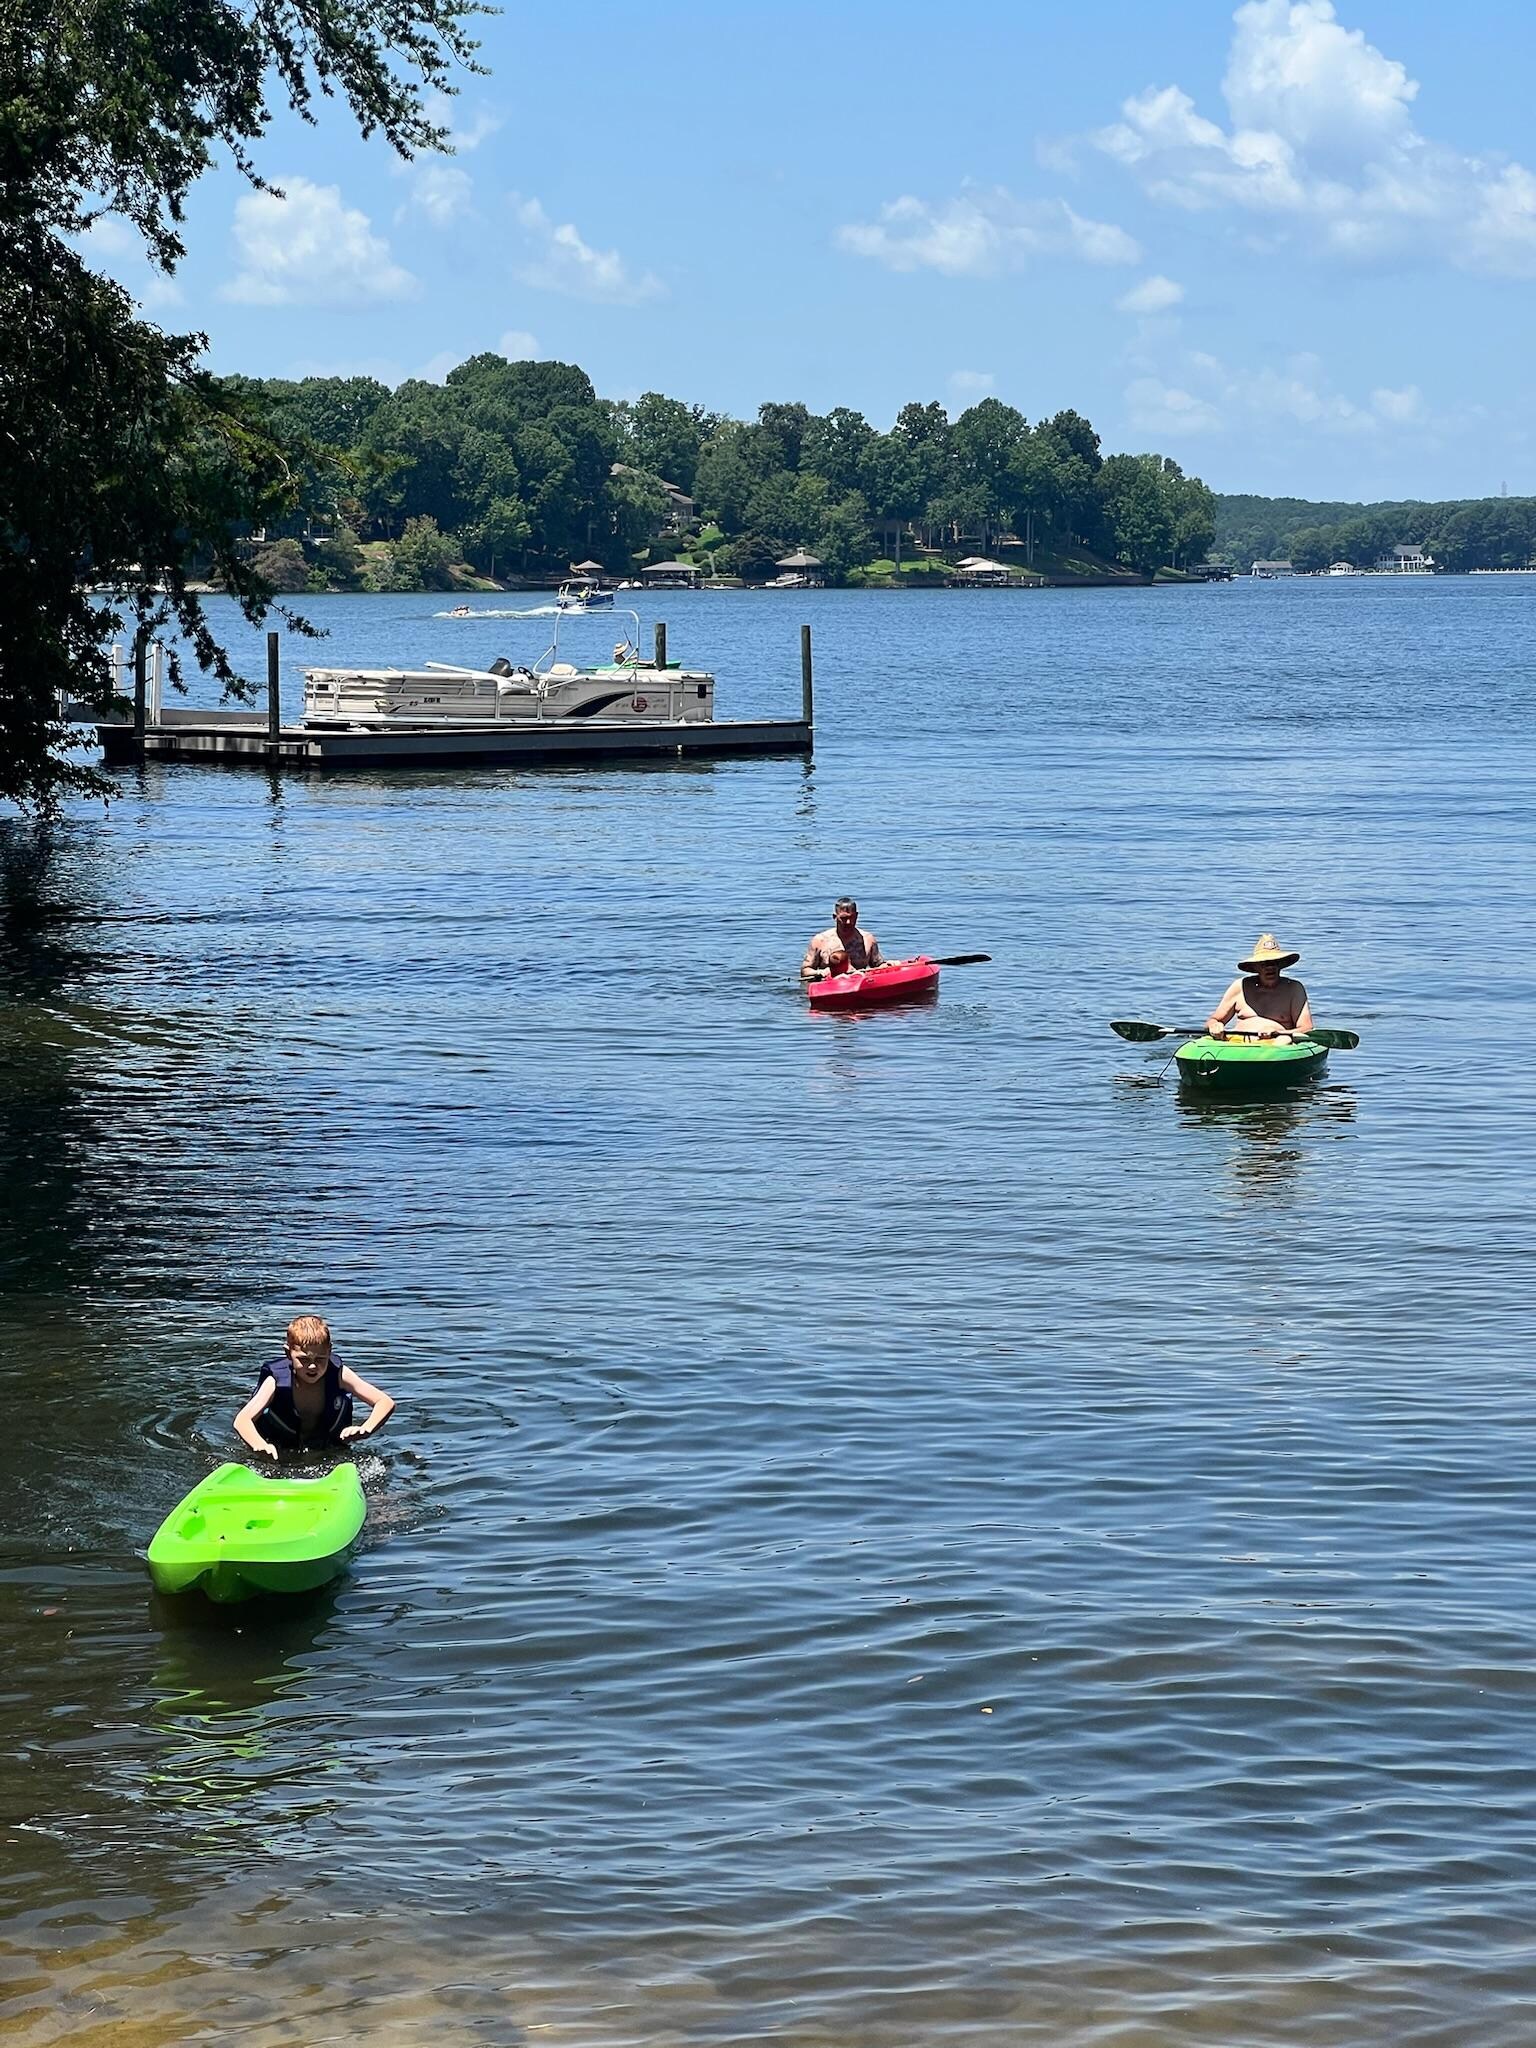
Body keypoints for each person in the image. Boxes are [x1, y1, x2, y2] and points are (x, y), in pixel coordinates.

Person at [234, 1314, 395, 1461]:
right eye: (303, 1360)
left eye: (320, 1359)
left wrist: (366, 1428)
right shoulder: (276, 1381)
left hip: (328, 1449)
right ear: (288, 1353)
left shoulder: (339, 1375)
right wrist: (259, 1445)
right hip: (278, 1451)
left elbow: (384, 1402)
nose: (312, 1366)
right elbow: (242, 1420)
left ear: (329, 1351)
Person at [1206, 934, 1314, 1041]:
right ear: (1255, 966)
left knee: (1284, 1040)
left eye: (1274, 963)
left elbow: (1306, 1028)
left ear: (1281, 965)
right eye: (1264, 964)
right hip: (1238, 1042)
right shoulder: (1239, 986)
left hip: (1277, 1045)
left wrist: (1278, 1033)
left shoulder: (1294, 989)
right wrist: (1215, 1026)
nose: (1270, 968)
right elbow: (1214, 1020)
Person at [801, 896, 886, 981]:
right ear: (835, 917)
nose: (848, 922)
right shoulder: (820, 941)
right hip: (830, 986)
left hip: (859, 985)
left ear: (856, 916)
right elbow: (805, 971)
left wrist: (890, 965)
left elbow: (879, 966)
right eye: (844, 918)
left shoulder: (868, 940)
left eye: (851, 917)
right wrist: (820, 972)